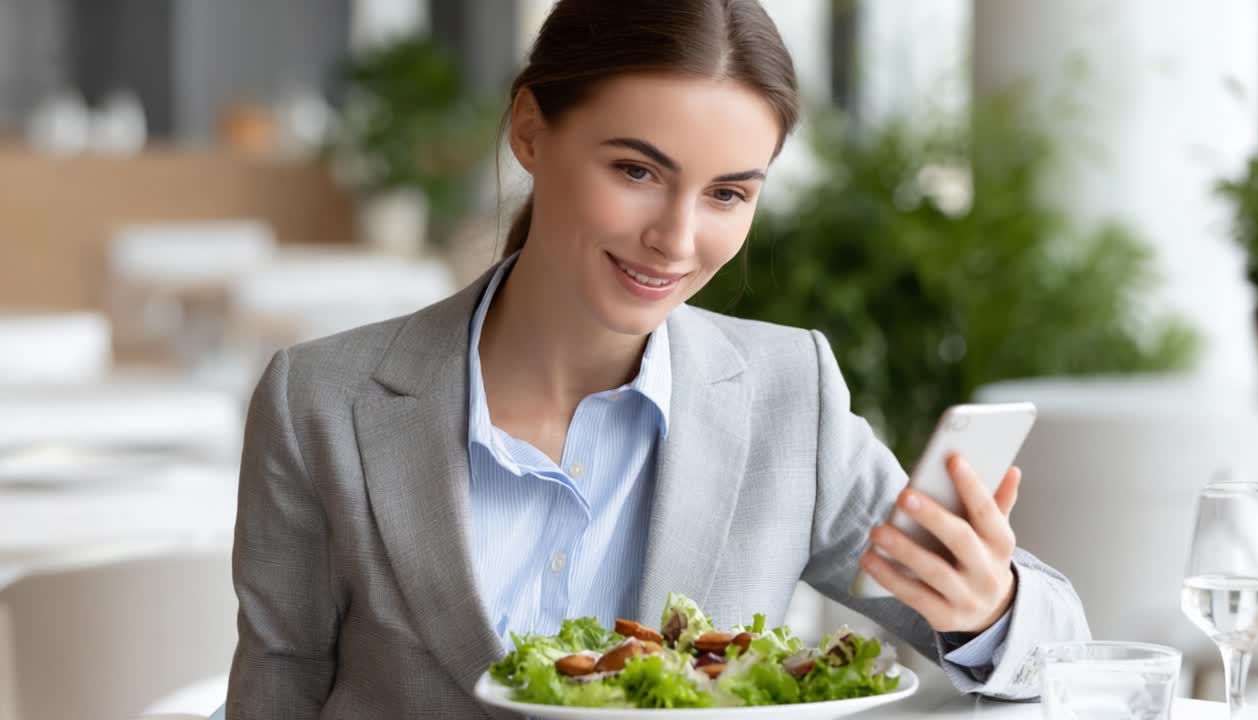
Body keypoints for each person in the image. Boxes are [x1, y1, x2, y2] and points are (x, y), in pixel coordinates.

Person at [224, 1, 1089, 717]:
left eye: (728, 194)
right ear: (530, 131)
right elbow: (278, 684)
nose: (676, 240)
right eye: (637, 171)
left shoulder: (788, 396)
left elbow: (1064, 648)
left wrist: (990, 609)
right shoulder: (322, 402)